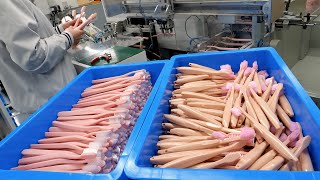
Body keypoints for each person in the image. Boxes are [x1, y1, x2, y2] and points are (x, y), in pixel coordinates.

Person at [0, 0, 84, 115]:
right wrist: (67, 38)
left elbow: (30, 40)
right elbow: (33, 57)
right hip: (49, 105)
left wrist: (60, 31)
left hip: (52, 102)